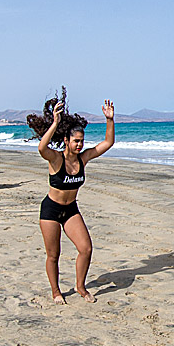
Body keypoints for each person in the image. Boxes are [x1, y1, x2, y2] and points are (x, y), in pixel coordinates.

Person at [26, 89, 115, 304]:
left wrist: (109, 120)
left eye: (81, 141)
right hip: (51, 210)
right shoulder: (56, 160)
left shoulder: (83, 159)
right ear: (66, 140)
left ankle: (80, 287)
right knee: (53, 255)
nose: (79, 144)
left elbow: (107, 143)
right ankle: (56, 291)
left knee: (86, 248)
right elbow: (41, 148)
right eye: (75, 141)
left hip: (71, 209)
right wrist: (54, 123)